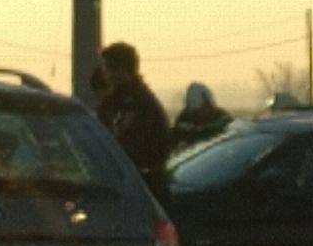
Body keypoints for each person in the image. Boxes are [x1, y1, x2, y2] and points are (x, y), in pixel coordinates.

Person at [96, 42, 172, 201]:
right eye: (106, 68)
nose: (106, 74)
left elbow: (130, 147)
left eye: (110, 68)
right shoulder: (114, 101)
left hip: (144, 185)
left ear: (124, 69)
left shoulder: (141, 103)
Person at [172, 82, 233, 150]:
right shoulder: (184, 119)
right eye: (195, 111)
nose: (199, 114)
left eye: (205, 107)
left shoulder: (222, 119)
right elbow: (177, 136)